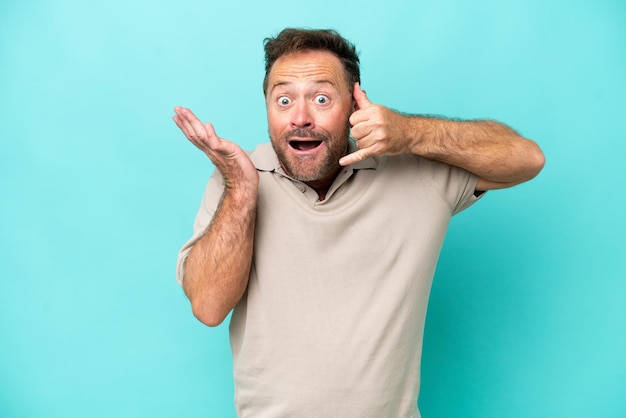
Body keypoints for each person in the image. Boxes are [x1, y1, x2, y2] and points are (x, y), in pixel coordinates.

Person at [173, 28, 544, 418]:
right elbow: (209, 307)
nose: (300, 118)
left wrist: (410, 133)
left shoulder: (416, 175)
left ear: (353, 104)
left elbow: (526, 159)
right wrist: (243, 189)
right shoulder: (235, 180)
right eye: (283, 100)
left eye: (321, 98)